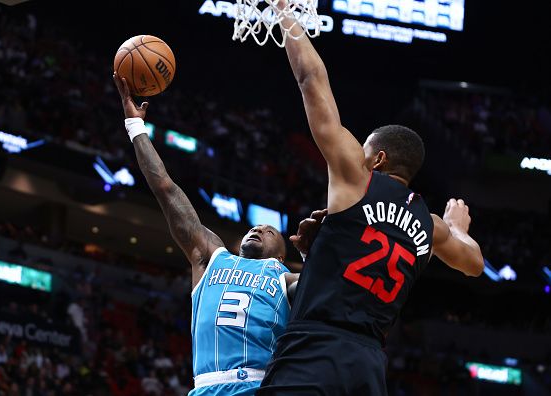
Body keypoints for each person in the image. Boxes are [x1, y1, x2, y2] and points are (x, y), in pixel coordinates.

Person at [257, 3, 485, 395]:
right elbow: (475, 263)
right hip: (367, 367)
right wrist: (459, 228)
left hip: (313, 351)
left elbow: (311, 78)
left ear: (377, 158)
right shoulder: (430, 226)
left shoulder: (359, 181)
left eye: (364, 150)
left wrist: (284, 12)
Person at [113, 73, 297, 396]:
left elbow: (331, 285)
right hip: (205, 388)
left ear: (281, 256)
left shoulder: (286, 278)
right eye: (256, 227)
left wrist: (310, 254)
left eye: (269, 232)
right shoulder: (212, 256)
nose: (258, 229)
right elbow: (166, 188)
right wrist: (135, 128)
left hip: (260, 387)